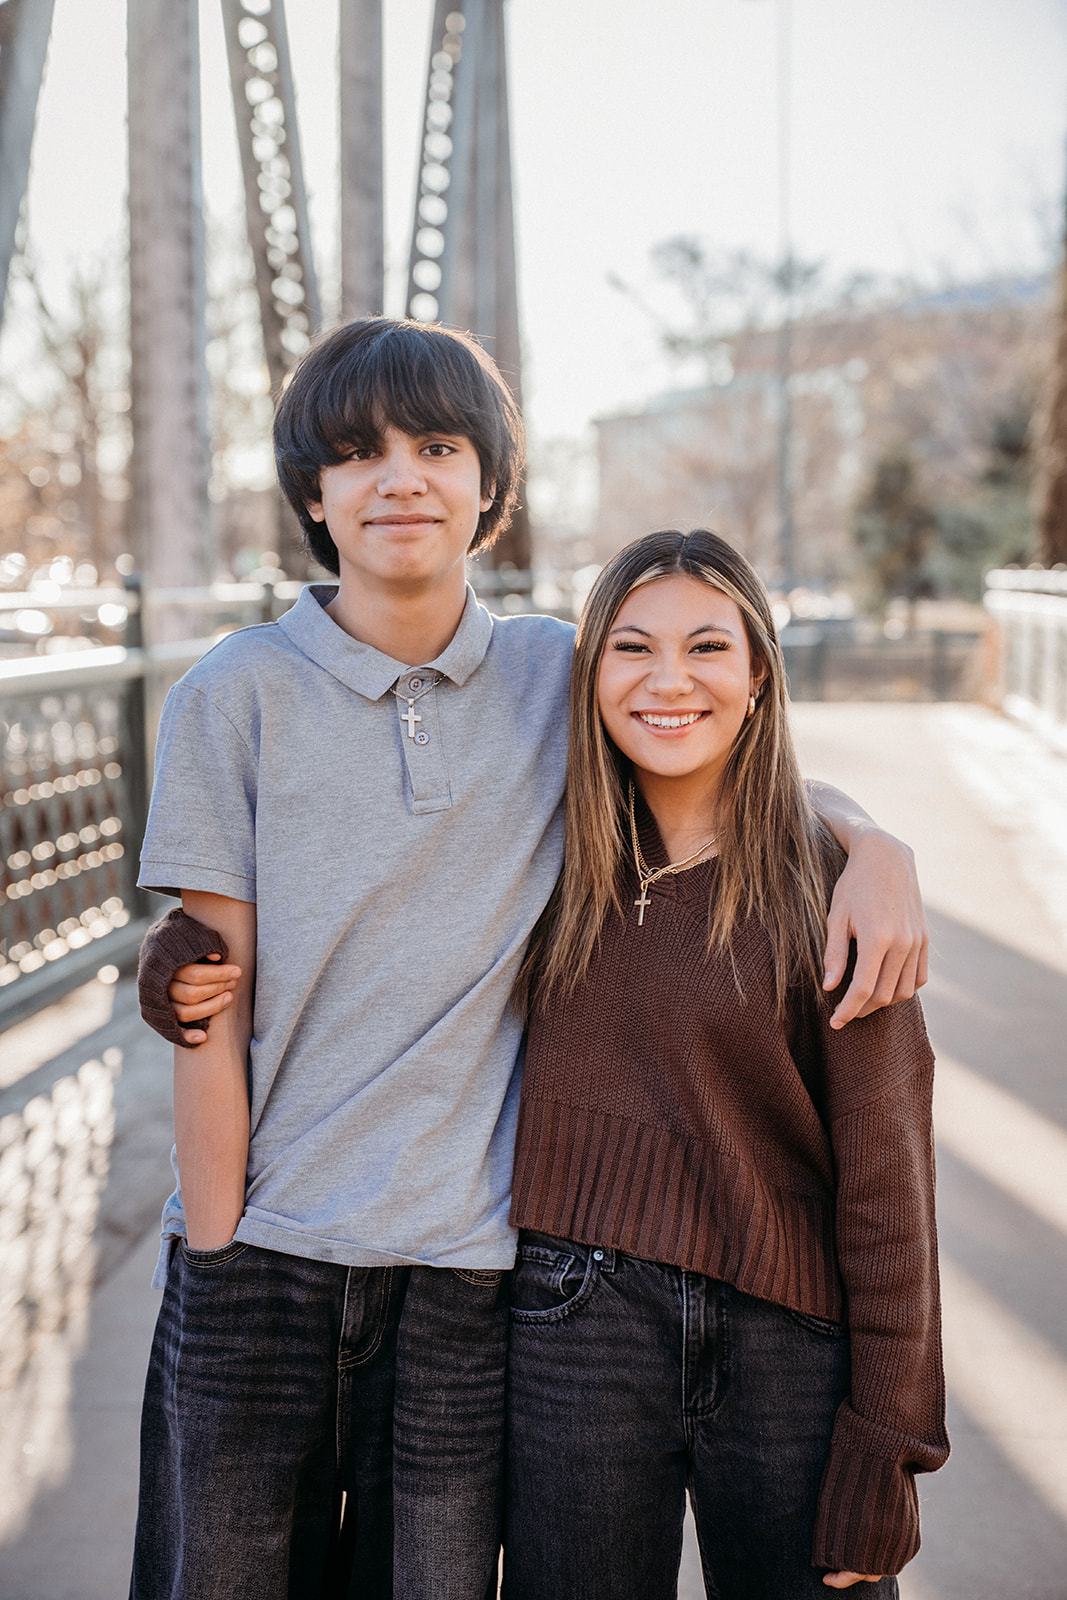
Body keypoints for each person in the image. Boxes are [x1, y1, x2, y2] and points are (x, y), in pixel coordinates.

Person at [132, 316, 929, 1599]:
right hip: (265, 1258)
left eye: (438, 445)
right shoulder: (233, 692)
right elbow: (210, 984)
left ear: (490, 486)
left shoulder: (548, 674)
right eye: (357, 453)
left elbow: (702, 735)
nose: (400, 477)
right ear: (312, 494)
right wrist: (219, 1245)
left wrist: (868, 840)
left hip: (464, 1272)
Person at [503, 529, 948, 1600]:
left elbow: (887, 1186)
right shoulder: (532, 859)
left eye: (707, 646)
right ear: (588, 676)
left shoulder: (830, 891)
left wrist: (887, 1440)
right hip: (574, 1326)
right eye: (630, 648)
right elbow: (369, 942)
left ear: (756, 677)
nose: (667, 680)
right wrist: (202, 948)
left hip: (789, 1344)